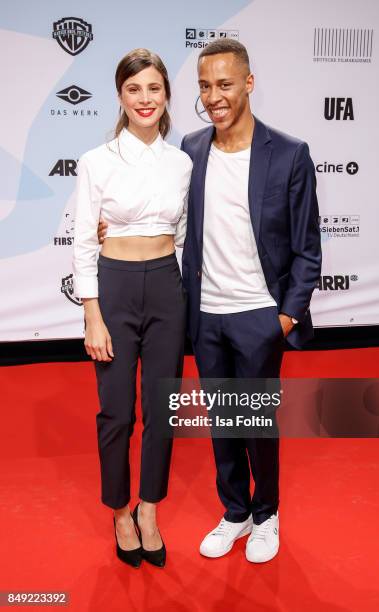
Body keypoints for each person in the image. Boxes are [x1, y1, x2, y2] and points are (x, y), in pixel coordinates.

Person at [98, 39, 322, 564]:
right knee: (223, 421)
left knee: (256, 421)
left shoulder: (289, 153)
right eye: (204, 86)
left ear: (248, 82)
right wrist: (115, 225)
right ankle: (235, 511)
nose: (214, 96)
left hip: (260, 316)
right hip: (204, 315)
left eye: (224, 84)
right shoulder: (190, 152)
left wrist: (285, 316)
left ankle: (267, 513)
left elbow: (308, 248)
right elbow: (161, 212)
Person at [72, 48, 192, 568]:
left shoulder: (182, 162)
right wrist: (92, 313)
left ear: (167, 95)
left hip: (167, 286)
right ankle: (120, 511)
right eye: (134, 89)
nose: (145, 99)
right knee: (117, 411)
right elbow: (82, 242)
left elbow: (184, 235)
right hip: (115, 289)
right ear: (120, 97)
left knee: (162, 409)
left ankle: (149, 509)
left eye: (154, 89)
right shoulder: (96, 162)